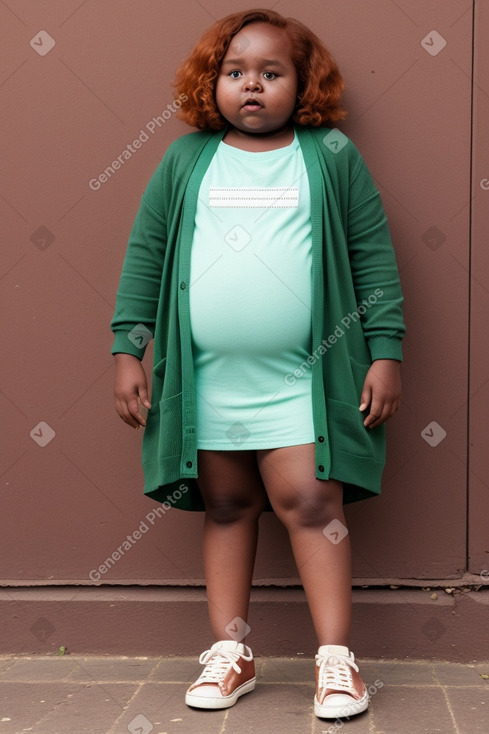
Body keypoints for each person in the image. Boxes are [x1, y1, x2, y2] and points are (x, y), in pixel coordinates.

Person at [110, 8, 405, 721]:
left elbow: (372, 258)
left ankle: (335, 661)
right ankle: (231, 652)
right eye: (235, 73)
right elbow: (146, 257)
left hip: (305, 382)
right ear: (211, 84)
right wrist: (129, 347)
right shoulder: (185, 159)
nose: (252, 87)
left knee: (312, 504)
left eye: (271, 74)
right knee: (226, 504)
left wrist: (384, 352)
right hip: (207, 382)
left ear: (300, 84)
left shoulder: (330, 154)